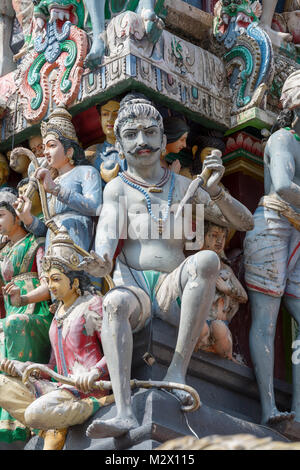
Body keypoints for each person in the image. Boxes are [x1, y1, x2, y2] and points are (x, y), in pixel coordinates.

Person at [80, 93, 254, 439]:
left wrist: (217, 192)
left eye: (149, 133)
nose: (142, 142)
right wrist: (99, 261)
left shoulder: (185, 187)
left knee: (205, 259)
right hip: (133, 287)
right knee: (114, 302)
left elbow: (245, 222)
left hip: (172, 287)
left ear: (163, 139)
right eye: (131, 135)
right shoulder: (116, 189)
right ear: (118, 142)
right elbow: (107, 235)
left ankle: (177, 369)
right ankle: (126, 411)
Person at [0, 228, 111, 450]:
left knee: (34, 413)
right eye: (48, 279)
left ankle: (95, 405)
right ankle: (51, 422)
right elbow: (53, 367)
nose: (50, 286)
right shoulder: (56, 317)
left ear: (75, 281)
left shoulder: (92, 305)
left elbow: (115, 352)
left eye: (56, 279)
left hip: (88, 389)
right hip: (60, 388)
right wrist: (25, 366)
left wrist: (94, 373)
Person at [244, 70, 300, 426]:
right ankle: (268, 409)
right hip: (273, 226)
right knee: (265, 320)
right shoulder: (283, 139)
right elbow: (281, 184)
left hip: (295, 232)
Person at [15, 105, 102, 257]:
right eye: (45, 147)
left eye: (52, 146)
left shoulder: (86, 172)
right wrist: (27, 218)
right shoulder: (52, 180)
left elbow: (95, 207)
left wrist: (56, 189)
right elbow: (47, 227)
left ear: (69, 151)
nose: (46, 152)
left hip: (76, 238)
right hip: (52, 245)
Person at [0, 190, 52, 444]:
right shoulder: (3, 253)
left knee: (13, 324)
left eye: (0, 215)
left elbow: (51, 286)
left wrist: (24, 298)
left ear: (17, 217)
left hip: (35, 315)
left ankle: (20, 411)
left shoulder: (36, 245)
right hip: (10, 314)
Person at [195, 221, 248, 362]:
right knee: (201, 328)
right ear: (202, 237)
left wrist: (228, 289)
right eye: (213, 235)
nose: (219, 241)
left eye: (223, 237)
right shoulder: (194, 262)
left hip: (220, 322)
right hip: (200, 319)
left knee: (220, 331)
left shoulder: (225, 269)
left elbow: (243, 297)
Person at [85, 99, 126, 186]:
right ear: (100, 119)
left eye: (116, 114)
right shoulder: (91, 153)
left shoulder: (133, 149)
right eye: (105, 114)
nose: (110, 119)